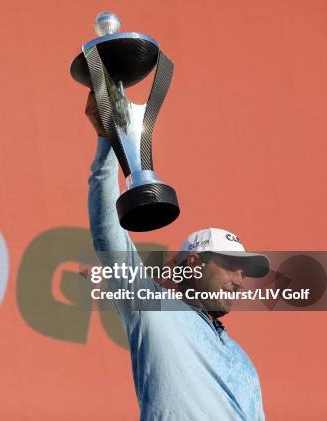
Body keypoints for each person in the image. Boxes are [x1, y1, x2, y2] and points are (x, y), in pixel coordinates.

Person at [85, 91, 269, 420]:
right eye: (230, 267)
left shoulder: (244, 362)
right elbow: (108, 234)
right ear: (195, 264)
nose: (240, 281)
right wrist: (108, 140)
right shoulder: (153, 309)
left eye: (244, 272)